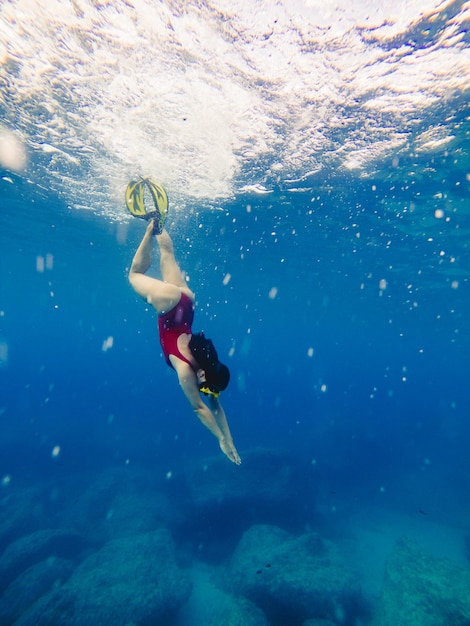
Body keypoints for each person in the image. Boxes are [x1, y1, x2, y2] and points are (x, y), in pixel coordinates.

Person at [128, 218, 241, 465]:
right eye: (207, 387)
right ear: (206, 377)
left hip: (186, 303)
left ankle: (155, 220)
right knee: (134, 274)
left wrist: (228, 439)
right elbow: (199, 409)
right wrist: (219, 439)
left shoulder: (209, 365)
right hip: (167, 304)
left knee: (168, 252)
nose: (205, 389)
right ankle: (149, 231)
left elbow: (215, 406)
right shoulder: (186, 370)